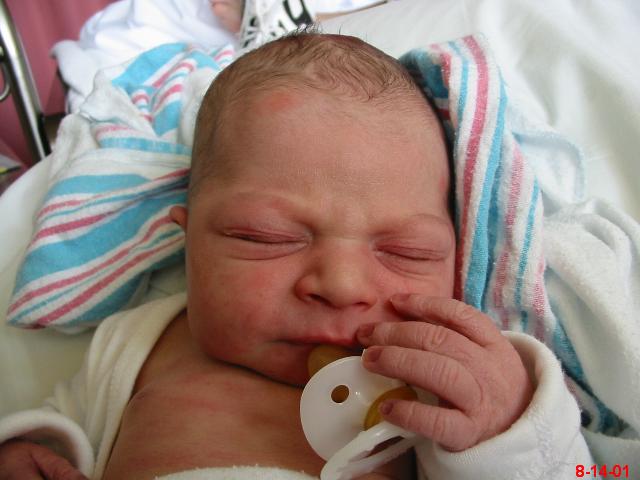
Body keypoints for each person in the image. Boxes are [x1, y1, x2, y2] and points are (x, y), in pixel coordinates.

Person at [0, 32, 592, 479]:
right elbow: (61, 425)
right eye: (266, 237)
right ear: (188, 243)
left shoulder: (445, 381)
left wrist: (511, 431)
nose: (341, 284)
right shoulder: (136, 342)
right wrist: (27, 450)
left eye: (406, 251)